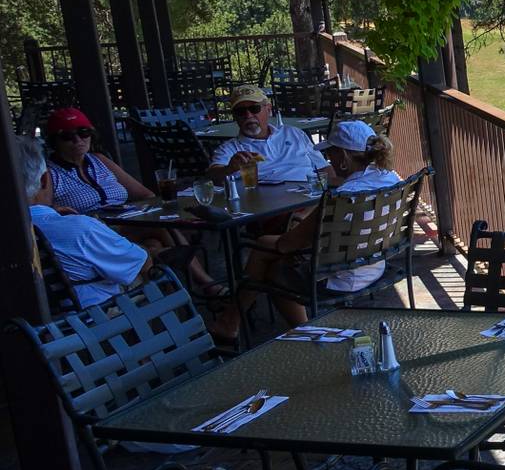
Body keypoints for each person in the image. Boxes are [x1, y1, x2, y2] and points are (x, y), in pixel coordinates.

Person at [210, 122, 402, 342]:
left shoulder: (344, 196)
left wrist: (291, 233)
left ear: (344, 156)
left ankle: (304, 333)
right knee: (271, 252)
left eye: (331, 152)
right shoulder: (390, 179)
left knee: (267, 257)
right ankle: (231, 321)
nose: (329, 159)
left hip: (342, 277)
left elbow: (288, 244)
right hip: (374, 264)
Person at [42, 106, 225, 297]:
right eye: (67, 136)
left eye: (83, 132)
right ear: (55, 141)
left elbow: (145, 195)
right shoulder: (50, 173)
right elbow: (44, 211)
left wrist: (146, 211)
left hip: (127, 223)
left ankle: (177, 297)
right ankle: (205, 284)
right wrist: (60, 210)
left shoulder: (99, 160)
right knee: (161, 227)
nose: (78, 140)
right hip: (95, 235)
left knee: (155, 244)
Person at [22, 136, 152, 308]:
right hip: (93, 316)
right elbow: (140, 263)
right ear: (45, 179)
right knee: (152, 263)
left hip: (28, 322)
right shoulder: (78, 227)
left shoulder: (18, 229)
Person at [207, 84, 331, 185]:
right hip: (273, 206)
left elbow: (324, 168)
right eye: (240, 111)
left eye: (254, 108)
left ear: (268, 109)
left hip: (311, 195)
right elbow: (213, 177)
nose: (248, 115)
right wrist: (229, 169)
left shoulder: (294, 133)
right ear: (235, 116)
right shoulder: (231, 149)